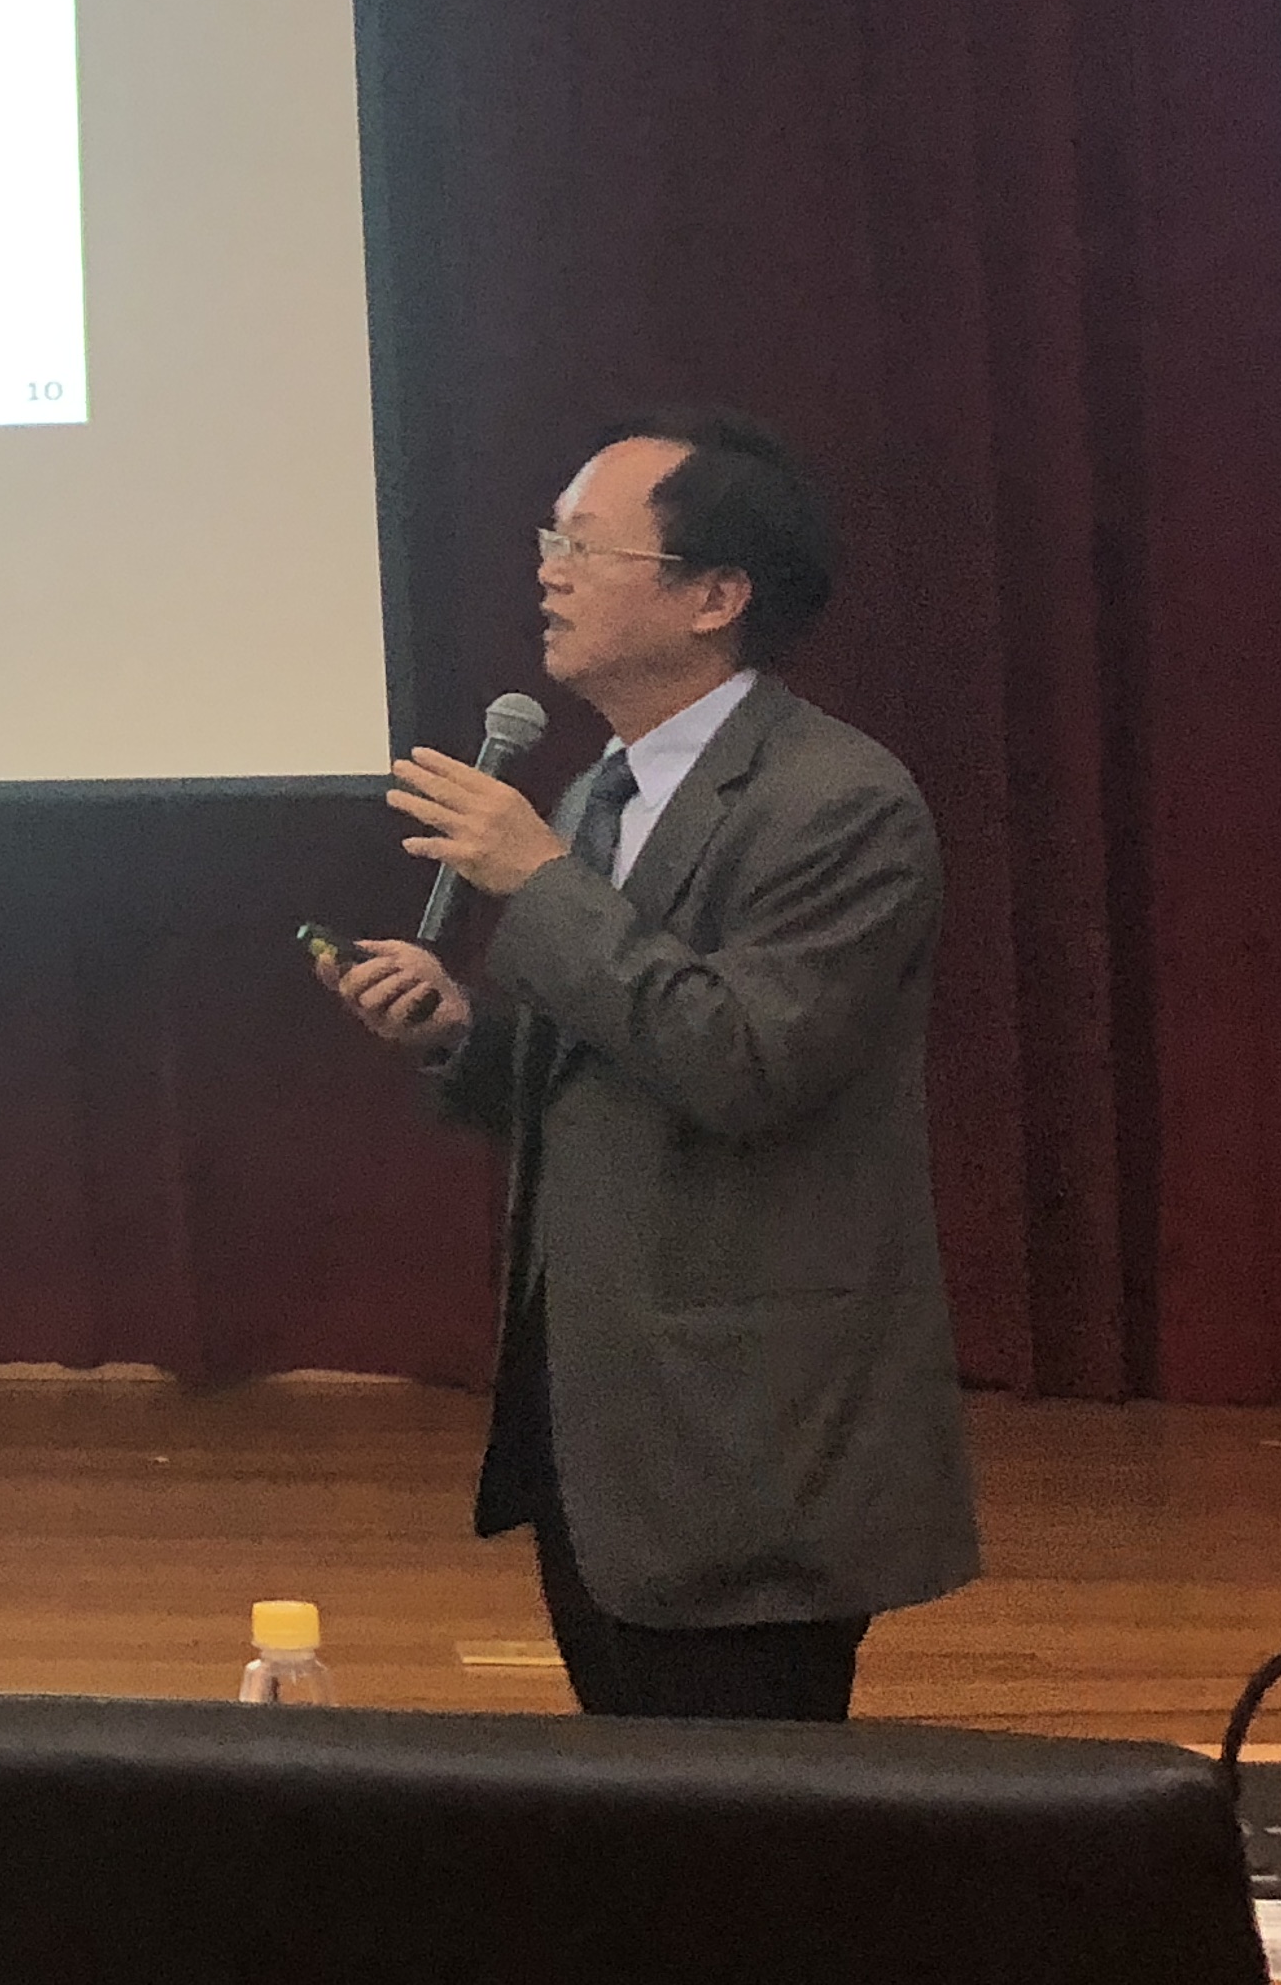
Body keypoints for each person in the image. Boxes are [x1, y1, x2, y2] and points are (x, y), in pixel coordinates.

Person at [319, 410, 976, 1720]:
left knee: (744, 1816)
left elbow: (742, 1062)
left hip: (747, 1438)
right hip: (601, 1425)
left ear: (715, 598)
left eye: (584, 545)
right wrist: (460, 1032)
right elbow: (613, 1064)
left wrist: (539, 885)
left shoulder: (838, 803)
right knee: (633, 1805)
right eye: (549, 539)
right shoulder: (598, 795)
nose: (547, 571)